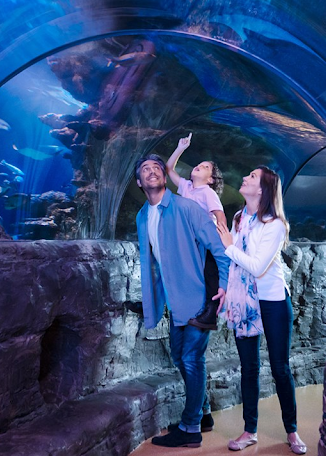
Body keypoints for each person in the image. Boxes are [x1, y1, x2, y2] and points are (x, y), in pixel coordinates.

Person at [135, 154, 230, 449]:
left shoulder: (187, 207)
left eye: (156, 168)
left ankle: (190, 430)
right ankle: (202, 415)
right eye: (145, 170)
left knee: (190, 359)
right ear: (140, 182)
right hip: (175, 301)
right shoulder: (142, 215)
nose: (152, 171)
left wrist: (225, 286)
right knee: (180, 357)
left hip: (199, 297)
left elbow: (219, 248)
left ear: (165, 176)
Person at [217, 166, 307, 454]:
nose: (244, 177)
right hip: (245, 301)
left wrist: (230, 245)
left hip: (273, 301)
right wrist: (227, 292)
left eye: (252, 177)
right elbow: (233, 263)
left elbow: (256, 266)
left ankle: (292, 431)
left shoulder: (275, 224)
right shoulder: (239, 218)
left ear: (263, 189)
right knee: (249, 368)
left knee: (280, 368)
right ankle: (249, 430)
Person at [166, 132, 226, 330]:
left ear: (211, 179)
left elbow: (219, 213)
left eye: (206, 167)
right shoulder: (186, 186)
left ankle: (210, 312)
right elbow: (168, 169)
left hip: (203, 238)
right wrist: (180, 148)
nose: (199, 166)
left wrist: (222, 235)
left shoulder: (207, 192)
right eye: (199, 164)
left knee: (210, 272)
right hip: (185, 238)